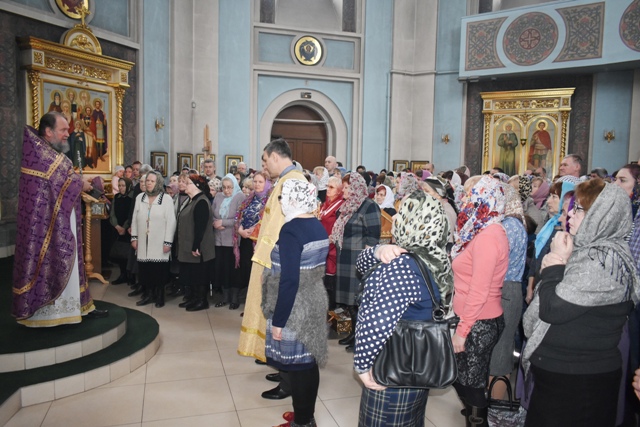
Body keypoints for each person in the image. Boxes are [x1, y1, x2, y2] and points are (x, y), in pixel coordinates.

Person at [522, 179, 639, 427]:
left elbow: (553, 309)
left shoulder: (604, 260)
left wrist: (555, 265)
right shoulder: (587, 250)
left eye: (580, 209)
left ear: (603, 216)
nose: (570, 215)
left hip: (578, 378)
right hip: (563, 373)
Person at [354, 189, 453, 427]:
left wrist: (362, 364)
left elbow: (377, 323)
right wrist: (378, 250)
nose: (396, 217)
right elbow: (361, 264)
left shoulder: (402, 266)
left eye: (402, 213)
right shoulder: (432, 255)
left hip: (393, 367)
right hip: (415, 364)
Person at [12, 112, 107, 326]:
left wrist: (81, 181)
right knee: (56, 264)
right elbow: (60, 183)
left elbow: (63, 180)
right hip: (48, 227)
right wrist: (80, 183)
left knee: (71, 264)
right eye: (63, 130)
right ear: (48, 131)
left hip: (63, 220)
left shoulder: (50, 153)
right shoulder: (41, 155)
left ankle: (76, 307)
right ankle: (51, 314)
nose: (67, 134)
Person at [238, 138, 305, 402]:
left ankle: (288, 382)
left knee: (282, 318)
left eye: (265, 161)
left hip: (277, 261)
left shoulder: (292, 182)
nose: (264, 167)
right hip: (273, 258)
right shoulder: (286, 180)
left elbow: (281, 229)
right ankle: (282, 368)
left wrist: (266, 261)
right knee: (276, 317)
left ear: (276, 156)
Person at [263, 179, 329, 427]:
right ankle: (306, 416)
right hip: (314, 299)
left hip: (295, 306)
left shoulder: (291, 230)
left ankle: (302, 422)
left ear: (293, 199)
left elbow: (289, 280)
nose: (281, 202)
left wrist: (279, 321)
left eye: (283, 197)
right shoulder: (316, 225)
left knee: (299, 367)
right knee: (308, 363)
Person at [451, 175, 508, 426]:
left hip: (478, 322)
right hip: (475, 318)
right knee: (462, 379)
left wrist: (462, 331)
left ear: (484, 198)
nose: (464, 199)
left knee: (471, 385)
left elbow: (479, 290)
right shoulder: (483, 228)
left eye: (470, 194)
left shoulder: (488, 236)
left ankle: (479, 420)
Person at [332, 172, 381, 351]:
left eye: (347, 188)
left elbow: (373, 235)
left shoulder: (369, 206)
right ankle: (353, 333)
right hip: (345, 257)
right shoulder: (347, 206)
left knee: (358, 300)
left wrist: (366, 261)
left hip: (358, 259)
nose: (343, 191)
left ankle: (361, 338)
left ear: (356, 188)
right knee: (349, 301)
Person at [489, 184, 527, 399]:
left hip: (506, 288)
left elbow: (497, 259)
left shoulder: (510, 225)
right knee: (497, 347)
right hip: (503, 287)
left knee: (500, 350)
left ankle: (494, 405)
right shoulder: (507, 223)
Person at [130, 171, 176, 308]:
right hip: (143, 242)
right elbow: (134, 219)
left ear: (158, 183)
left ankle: (159, 296)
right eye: (147, 181)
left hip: (159, 242)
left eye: (152, 181)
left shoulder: (166, 199)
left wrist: (168, 242)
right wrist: (134, 237)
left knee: (158, 270)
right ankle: (148, 295)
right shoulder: (140, 197)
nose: (148, 183)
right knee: (145, 270)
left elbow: (171, 222)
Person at [175, 174, 216, 312]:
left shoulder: (202, 202)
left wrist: (196, 245)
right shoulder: (192, 200)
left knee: (199, 274)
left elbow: (201, 226)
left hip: (200, 246)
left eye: (188, 183)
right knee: (192, 273)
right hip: (189, 244)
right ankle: (193, 298)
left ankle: (201, 300)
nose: (185, 185)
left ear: (197, 186)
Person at [234, 170, 272, 298]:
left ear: (267, 183)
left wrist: (255, 229)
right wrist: (240, 230)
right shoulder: (249, 198)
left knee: (258, 272)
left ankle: (257, 300)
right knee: (247, 269)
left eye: (260, 182)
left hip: (259, 242)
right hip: (246, 239)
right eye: (255, 181)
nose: (257, 184)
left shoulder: (270, 200)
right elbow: (239, 215)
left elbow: (269, 221)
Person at [212, 173, 245, 309]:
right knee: (221, 269)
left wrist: (223, 222)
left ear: (234, 186)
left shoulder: (240, 197)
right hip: (218, 239)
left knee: (233, 270)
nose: (226, 190)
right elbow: (212, 213)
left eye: (230, 187)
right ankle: (224, 297)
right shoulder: (218, 196)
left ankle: (234, 299)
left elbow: (240, 218)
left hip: (233, 240)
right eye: (224, 187)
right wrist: (215, 223)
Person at [318, 176, 344, 311]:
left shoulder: (341, 205)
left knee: (330, 279)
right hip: (322, 245)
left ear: (339, 190)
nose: (328, 189)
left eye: (331, 187)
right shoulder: (325, 203)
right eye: (327, 186)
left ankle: (331, 309)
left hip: (332, 246)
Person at [109, 177, 133, 285]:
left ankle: (130, 275)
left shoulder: (132, 197)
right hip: (118, 229)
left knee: (128, 253)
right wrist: (117, 226)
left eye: (123, 186)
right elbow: (112, 213)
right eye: (119, 186)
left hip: (128, 229)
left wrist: (124, 227)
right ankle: (122, 274)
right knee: (120, 254)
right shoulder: (116, 197)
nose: (121, 188)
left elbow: (131, 214)